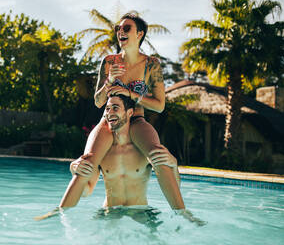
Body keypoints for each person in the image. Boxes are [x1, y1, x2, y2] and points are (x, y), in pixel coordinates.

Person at [57, 12, 182, 211]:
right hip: (108, 120)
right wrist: (108, 82)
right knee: (86, 162)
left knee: (159, 155)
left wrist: (128, 92)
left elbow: (159, 105)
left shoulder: (151, 65)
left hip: (137, 119)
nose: (120, 32)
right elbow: (98, 102)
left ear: (140, 34)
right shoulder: (109, 62)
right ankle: (59, 213)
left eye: (126, 28)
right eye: (118, 29)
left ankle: (183, 213)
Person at [35, 95, 204, 226]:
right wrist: (74, 170)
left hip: (141, 212)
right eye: (107, 109)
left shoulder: (143, 150)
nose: (109, 113)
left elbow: (175, 185)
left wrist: (173, 164)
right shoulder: (103, 152)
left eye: (115, 108)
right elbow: (87, 191)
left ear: (129, 113)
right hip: (109, 212)